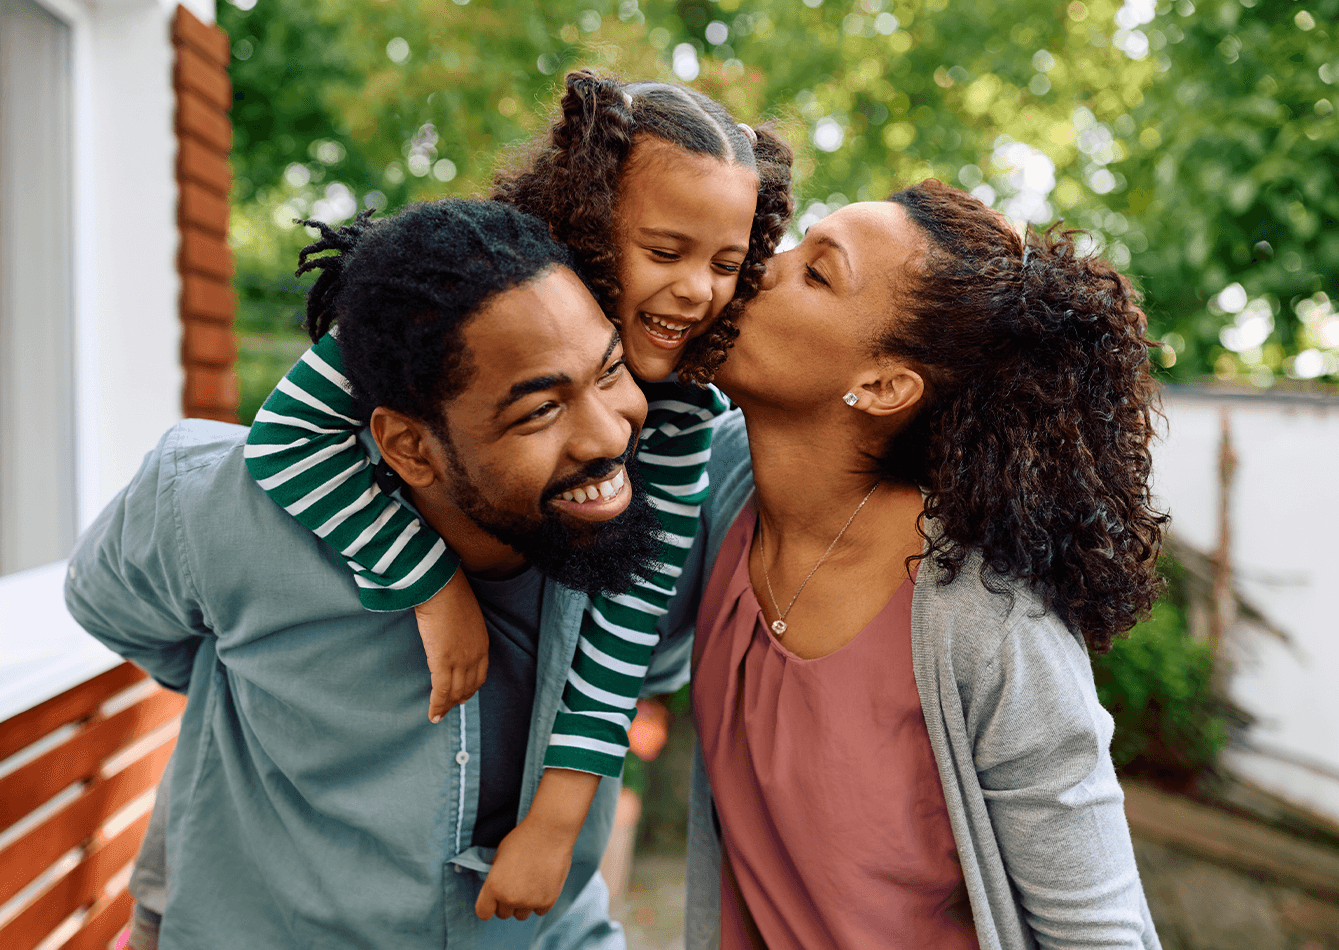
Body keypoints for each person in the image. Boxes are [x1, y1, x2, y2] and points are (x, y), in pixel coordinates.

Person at [64, 199, 735, 949]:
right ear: (411, 448)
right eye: (540, 411)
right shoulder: (213, 506)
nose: (610, 433)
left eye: (610, 371)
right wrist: (266, 688)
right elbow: (118, 614)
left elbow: (657, 664)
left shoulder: (650, 512)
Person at [240, 69, 792, 921]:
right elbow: (285, 436)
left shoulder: (679, 400)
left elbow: (627, 615)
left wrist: (555, 822)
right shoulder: (460, 296)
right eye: (665, 252)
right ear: (589, 222)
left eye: (727, 262)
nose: (697, 291)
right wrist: (433, 586)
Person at [682, 180, 1168, 949]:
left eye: (816, 272)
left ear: (882, 385)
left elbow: (1100, 931)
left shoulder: (989, 617)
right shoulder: (715, 488)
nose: (758, 267)